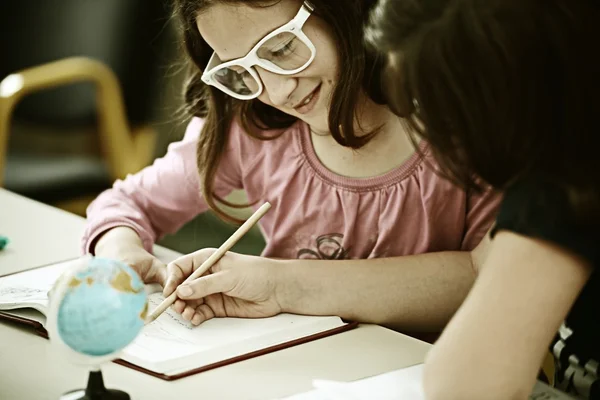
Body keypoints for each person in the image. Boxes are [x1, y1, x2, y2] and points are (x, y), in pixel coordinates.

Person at [83, 0, 499, 335]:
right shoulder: (251, 127)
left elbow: (492, 279)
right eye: (242, 71)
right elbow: (127, 201)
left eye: (282, 48)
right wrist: (121, 252)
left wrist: (282, 284)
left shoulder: (463, 129)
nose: (276, 90)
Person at [365, 0, 599, 398]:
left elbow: (462, 387)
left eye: (430, 106)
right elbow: (481, 266)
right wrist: (277, 286)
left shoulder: (565, 190)